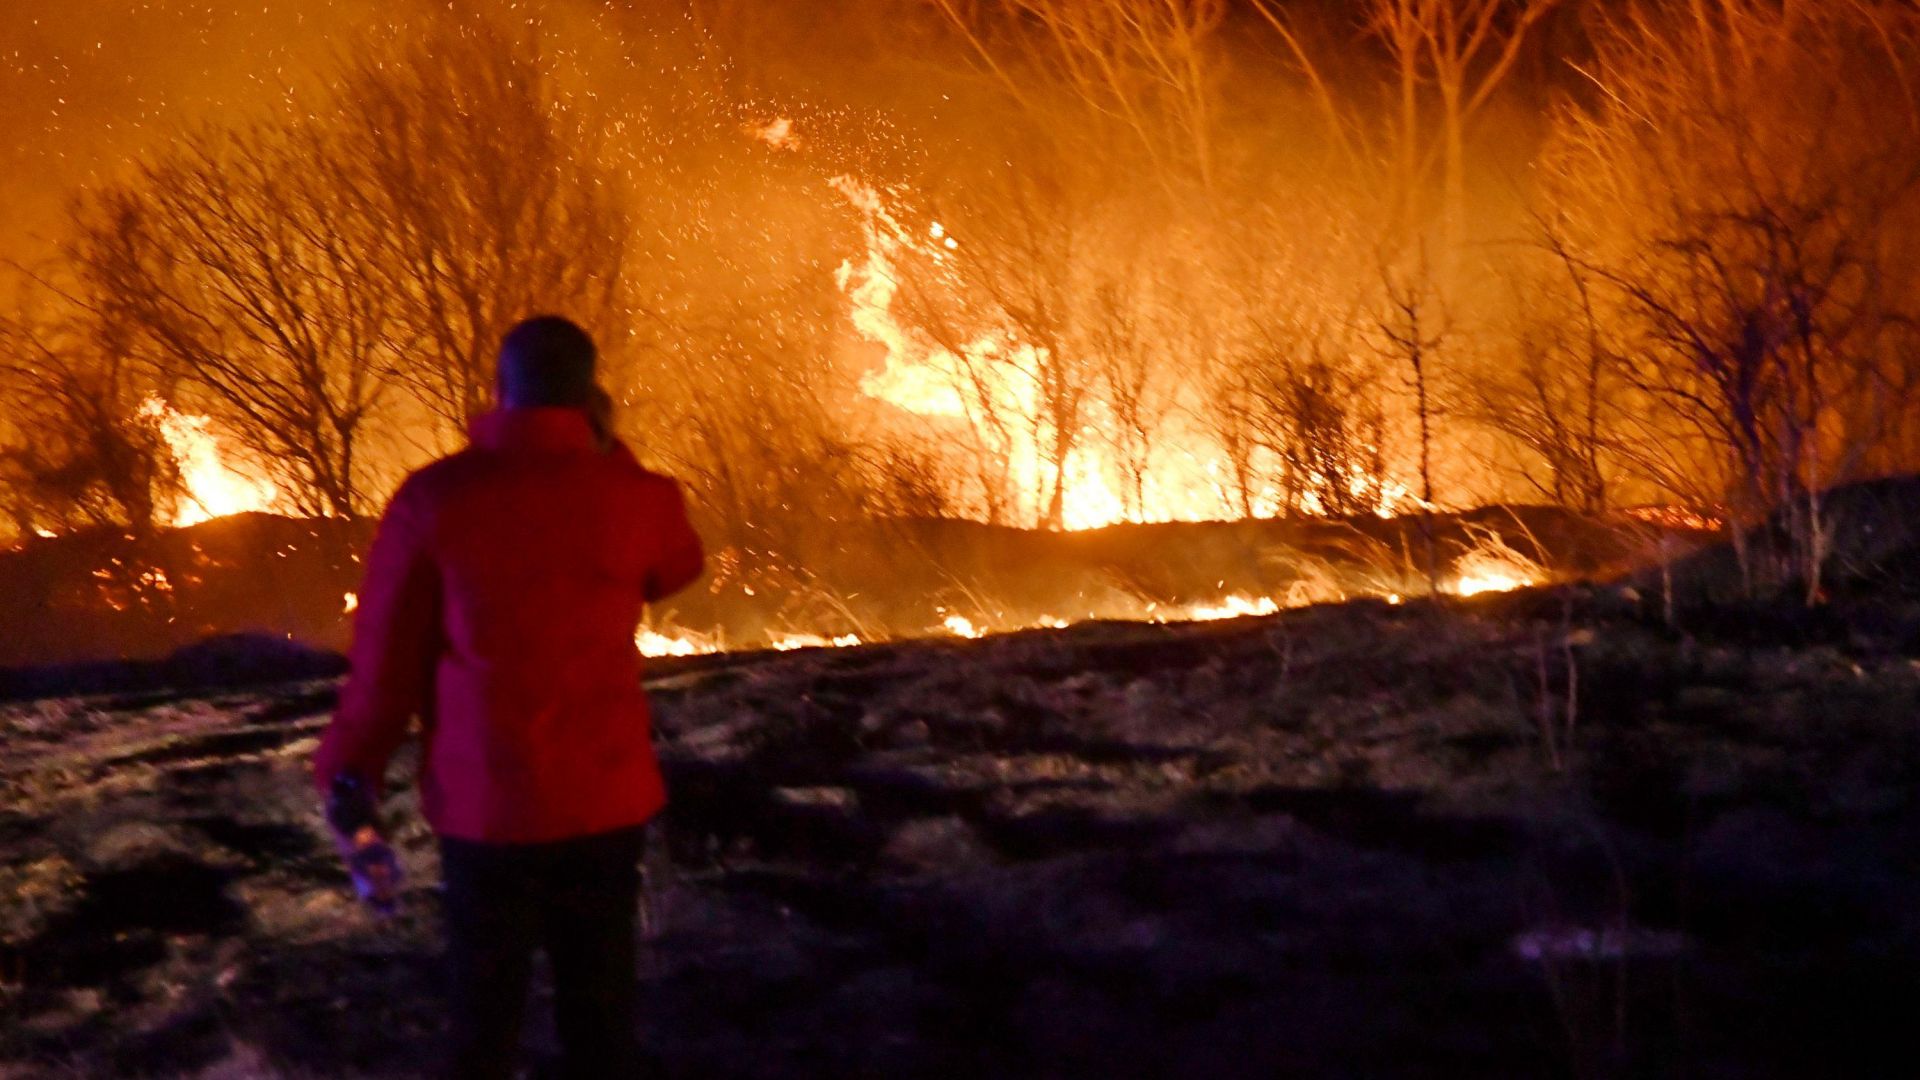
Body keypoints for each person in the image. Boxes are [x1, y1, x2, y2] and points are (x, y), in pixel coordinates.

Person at [313, 315, 704, 1080]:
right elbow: (675, 567)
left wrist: (350, 779)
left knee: (484, 1024)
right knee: (601, 1023)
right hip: (605, 803)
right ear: (590, 399)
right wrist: (607, 449)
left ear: (498, 390)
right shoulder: (636, 495)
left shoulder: (434, 500)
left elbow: (385, 669)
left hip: (487, 809)